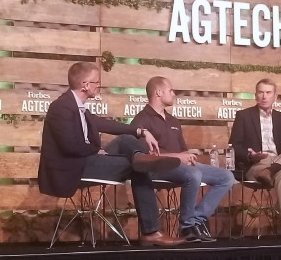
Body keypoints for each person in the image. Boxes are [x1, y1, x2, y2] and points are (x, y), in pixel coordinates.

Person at [38, 62, 185, 247]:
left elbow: (106, 125)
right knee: (138, 169)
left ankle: (140, 157)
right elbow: (69, 146)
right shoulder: (61, 107)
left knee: (125, 140)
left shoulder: (78, 108)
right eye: (96, 82)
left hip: (87, 159)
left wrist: (141, 131)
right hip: (74, 168)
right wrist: (95, 150)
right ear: (85, 84)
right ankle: (151, 232)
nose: (98, 86)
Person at [129, 76, 235, 242]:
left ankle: (197, 221)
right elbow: (144, 157)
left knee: (226, 177)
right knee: (193, 175)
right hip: (158, 168)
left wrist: (187, 157)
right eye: (170, 90)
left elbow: (183, 150)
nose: (174, 94)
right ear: (158, 92)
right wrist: (178, 157)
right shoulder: (141, 120)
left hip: (180, 167)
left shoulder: (173, 120)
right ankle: (186, 226)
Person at [229, 78, 281, 239]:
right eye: (261, 92)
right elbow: (235, 146)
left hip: (278, 161)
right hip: (257, 165)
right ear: (255, 95)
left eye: (268, 93)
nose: (264, 96)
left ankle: (272, 170)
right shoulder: (243, 116)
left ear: (275, 96)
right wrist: (250, 155)